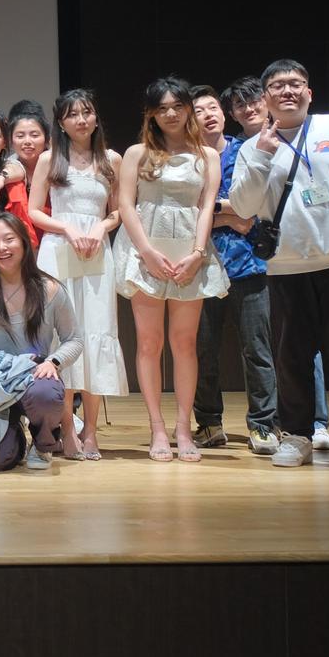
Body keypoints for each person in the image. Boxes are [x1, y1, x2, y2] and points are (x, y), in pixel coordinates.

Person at [229, 58, 329, 472]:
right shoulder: (252, 147)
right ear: (265, 98)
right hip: (285, 268)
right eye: (278, 86)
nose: (287, 91)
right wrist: (263, 156)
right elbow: (245, 208)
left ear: (309, 92)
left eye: (296, 84)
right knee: (291, 358)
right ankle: (297, 434)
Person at [114, 77, 227, 462]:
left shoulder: (206, 155)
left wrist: (198, 253)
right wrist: (145, 251)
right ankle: (156, 428)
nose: (170, 114)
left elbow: (208, 206)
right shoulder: (136, 153)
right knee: (149, 344)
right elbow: (126, 205)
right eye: (161, 108)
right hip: (146, 251)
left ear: (187, 109)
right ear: (151, 114)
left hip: (189, 254)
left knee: (184, 344)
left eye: (177, 106)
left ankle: (182, 428)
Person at [27, 89, 126, 458]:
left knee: (96, 333)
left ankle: (92, 433)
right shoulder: (49, 158)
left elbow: (119, 211)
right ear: (62, 123)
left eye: (87, 112)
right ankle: (67, 429)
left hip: (97, 254)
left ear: (96, 117)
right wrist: (67, 229)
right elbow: (35, 210)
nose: (81, 120)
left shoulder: (111, 159)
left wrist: (101, 228)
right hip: (58, 252)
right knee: (63, 339)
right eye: (72, 114)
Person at [192, 80, 279, 454]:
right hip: (201, 264)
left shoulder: (248, 149)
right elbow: (188, 210)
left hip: (249, 264)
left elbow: (257, 205)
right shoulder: (186, 159)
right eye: (197, 111)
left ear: (223, 113)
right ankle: (209, 423)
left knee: (257, 349)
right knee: (202, 351)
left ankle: (263, 424)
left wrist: (226, 213)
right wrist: (229, 214)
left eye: (212, 107)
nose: (207, 115)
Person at [0, 212, 81, 470]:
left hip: (35, 378)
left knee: (45, 392)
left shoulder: (50, 288)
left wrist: (53, 362)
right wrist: (7, 366)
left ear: (25, 243)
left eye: (8, 239)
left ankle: (43, 443)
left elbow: (74, 340)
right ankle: (13, 433)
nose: (1, 248)